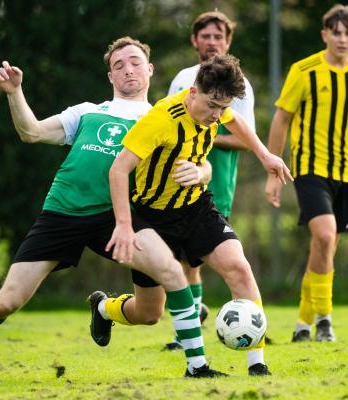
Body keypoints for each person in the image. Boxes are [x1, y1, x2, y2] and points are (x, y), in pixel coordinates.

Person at [0, 37, 226, 380]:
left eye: (134, 62)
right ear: (110, 78)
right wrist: (15, 93)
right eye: (118, 66)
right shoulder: (88, 111)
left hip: (119, 217)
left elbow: (201, 161)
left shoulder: (163, 116)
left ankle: (188, 363)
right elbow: (31, 132)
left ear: (149, 69)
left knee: (154, 307)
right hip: (62, 213)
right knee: (6, 302)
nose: (127, 69)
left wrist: (201, 172)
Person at [104, 54, 292, 376]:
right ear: (193, 92)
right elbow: (118, 169)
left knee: (239, 268)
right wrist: (123, 224)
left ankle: (252, 365)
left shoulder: (217, 105)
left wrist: (265, 155)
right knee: (149, 313)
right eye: (212, 107)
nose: (217, 115)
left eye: (222, 107)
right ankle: (105, 308)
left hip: (196, 207)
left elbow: (237, 122)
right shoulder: (161, 119)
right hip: (152, 217)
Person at [264, 4, 348, 343]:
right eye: (336, 32)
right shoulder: (304, 71)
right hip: (309, 168)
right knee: (324, 236)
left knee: (325, 246)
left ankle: (304, 324)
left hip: (346, 170)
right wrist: (274, 170)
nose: (343, 38)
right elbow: (281, 119)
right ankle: (325, 320)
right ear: (325, 35)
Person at [164, 10, 254, 350]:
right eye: (206, 36)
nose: (212, 42)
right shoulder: (183, 78)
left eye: (219, 37)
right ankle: (187, 328)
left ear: (228, 42)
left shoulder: (240, 85)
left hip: (218, 183)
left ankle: (243, 319)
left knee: (210, 258)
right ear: (194, 41)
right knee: (183, 260)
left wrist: (205, 134)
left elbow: (244, 138)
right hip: (181, 179)